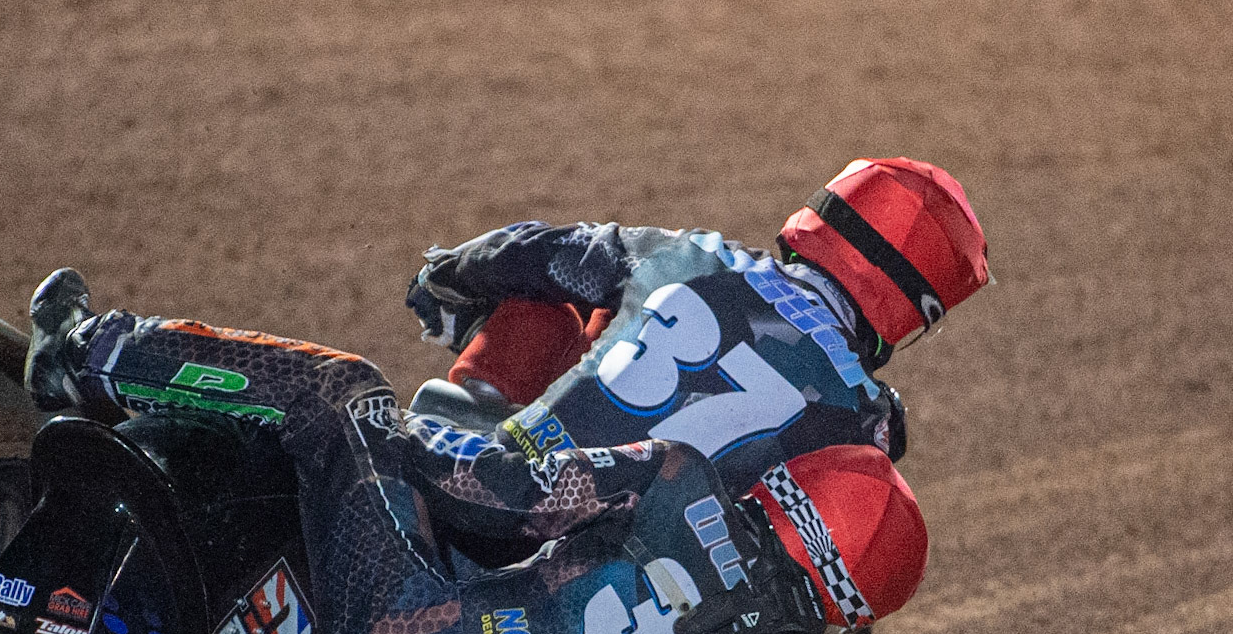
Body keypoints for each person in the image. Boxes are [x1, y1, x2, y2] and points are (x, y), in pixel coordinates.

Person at [26, 269, 928, 634]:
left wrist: (405, 444)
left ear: (799, 490)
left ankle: (84, 353)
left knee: (342, 393)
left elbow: (487, 492)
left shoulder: (681, 483)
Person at [403, 157, 990, 492]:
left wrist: (445, 280)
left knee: (559, 307)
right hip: (611, 579)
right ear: (911, 309)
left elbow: (534, 252)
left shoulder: (696, 257)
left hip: (501, 473)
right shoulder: (864, 417)